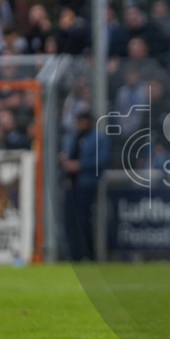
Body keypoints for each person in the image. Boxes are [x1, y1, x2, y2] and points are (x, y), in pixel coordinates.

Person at [59, 110, 109, 261]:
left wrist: (80, 165)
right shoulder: (73, 138)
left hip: (86, 185)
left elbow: (102, 161)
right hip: (71, 185)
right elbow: (68, 156)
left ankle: (87, 254)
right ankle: (73, 254)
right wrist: (64, 160)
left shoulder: (98, 138)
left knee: (84, 221)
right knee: (69, 221)